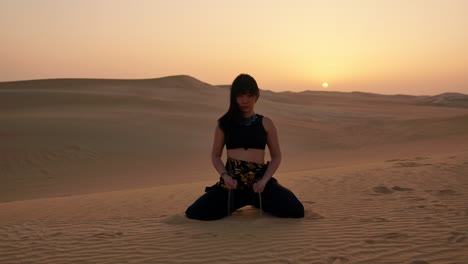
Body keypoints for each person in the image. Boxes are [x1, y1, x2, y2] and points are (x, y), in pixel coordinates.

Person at [185, 74, 304, 220]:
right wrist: (225, 176)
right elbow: (215, 155)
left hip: (259, 185)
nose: (245, 100)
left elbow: (276, 156)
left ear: (256, 96)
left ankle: (256, 202)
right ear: (234, 97)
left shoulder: (266, 122)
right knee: (195, 213)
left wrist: (264, 181)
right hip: (232, 186)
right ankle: (239, 202)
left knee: (296, 210)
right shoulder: (224, 123)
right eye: (241, 95)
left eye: (249, 95)